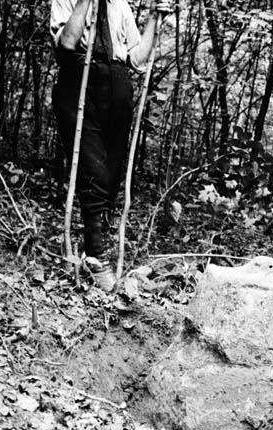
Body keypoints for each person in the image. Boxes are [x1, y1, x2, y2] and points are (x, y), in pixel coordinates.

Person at [50, 0, 172, 291]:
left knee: (112, 174)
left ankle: (95, 244)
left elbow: (136, 58)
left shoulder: (120, 5)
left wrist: (155, 18)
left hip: (117, 87)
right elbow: (66, 45)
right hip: (79, 81)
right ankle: (97, 256)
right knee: (93, 169)